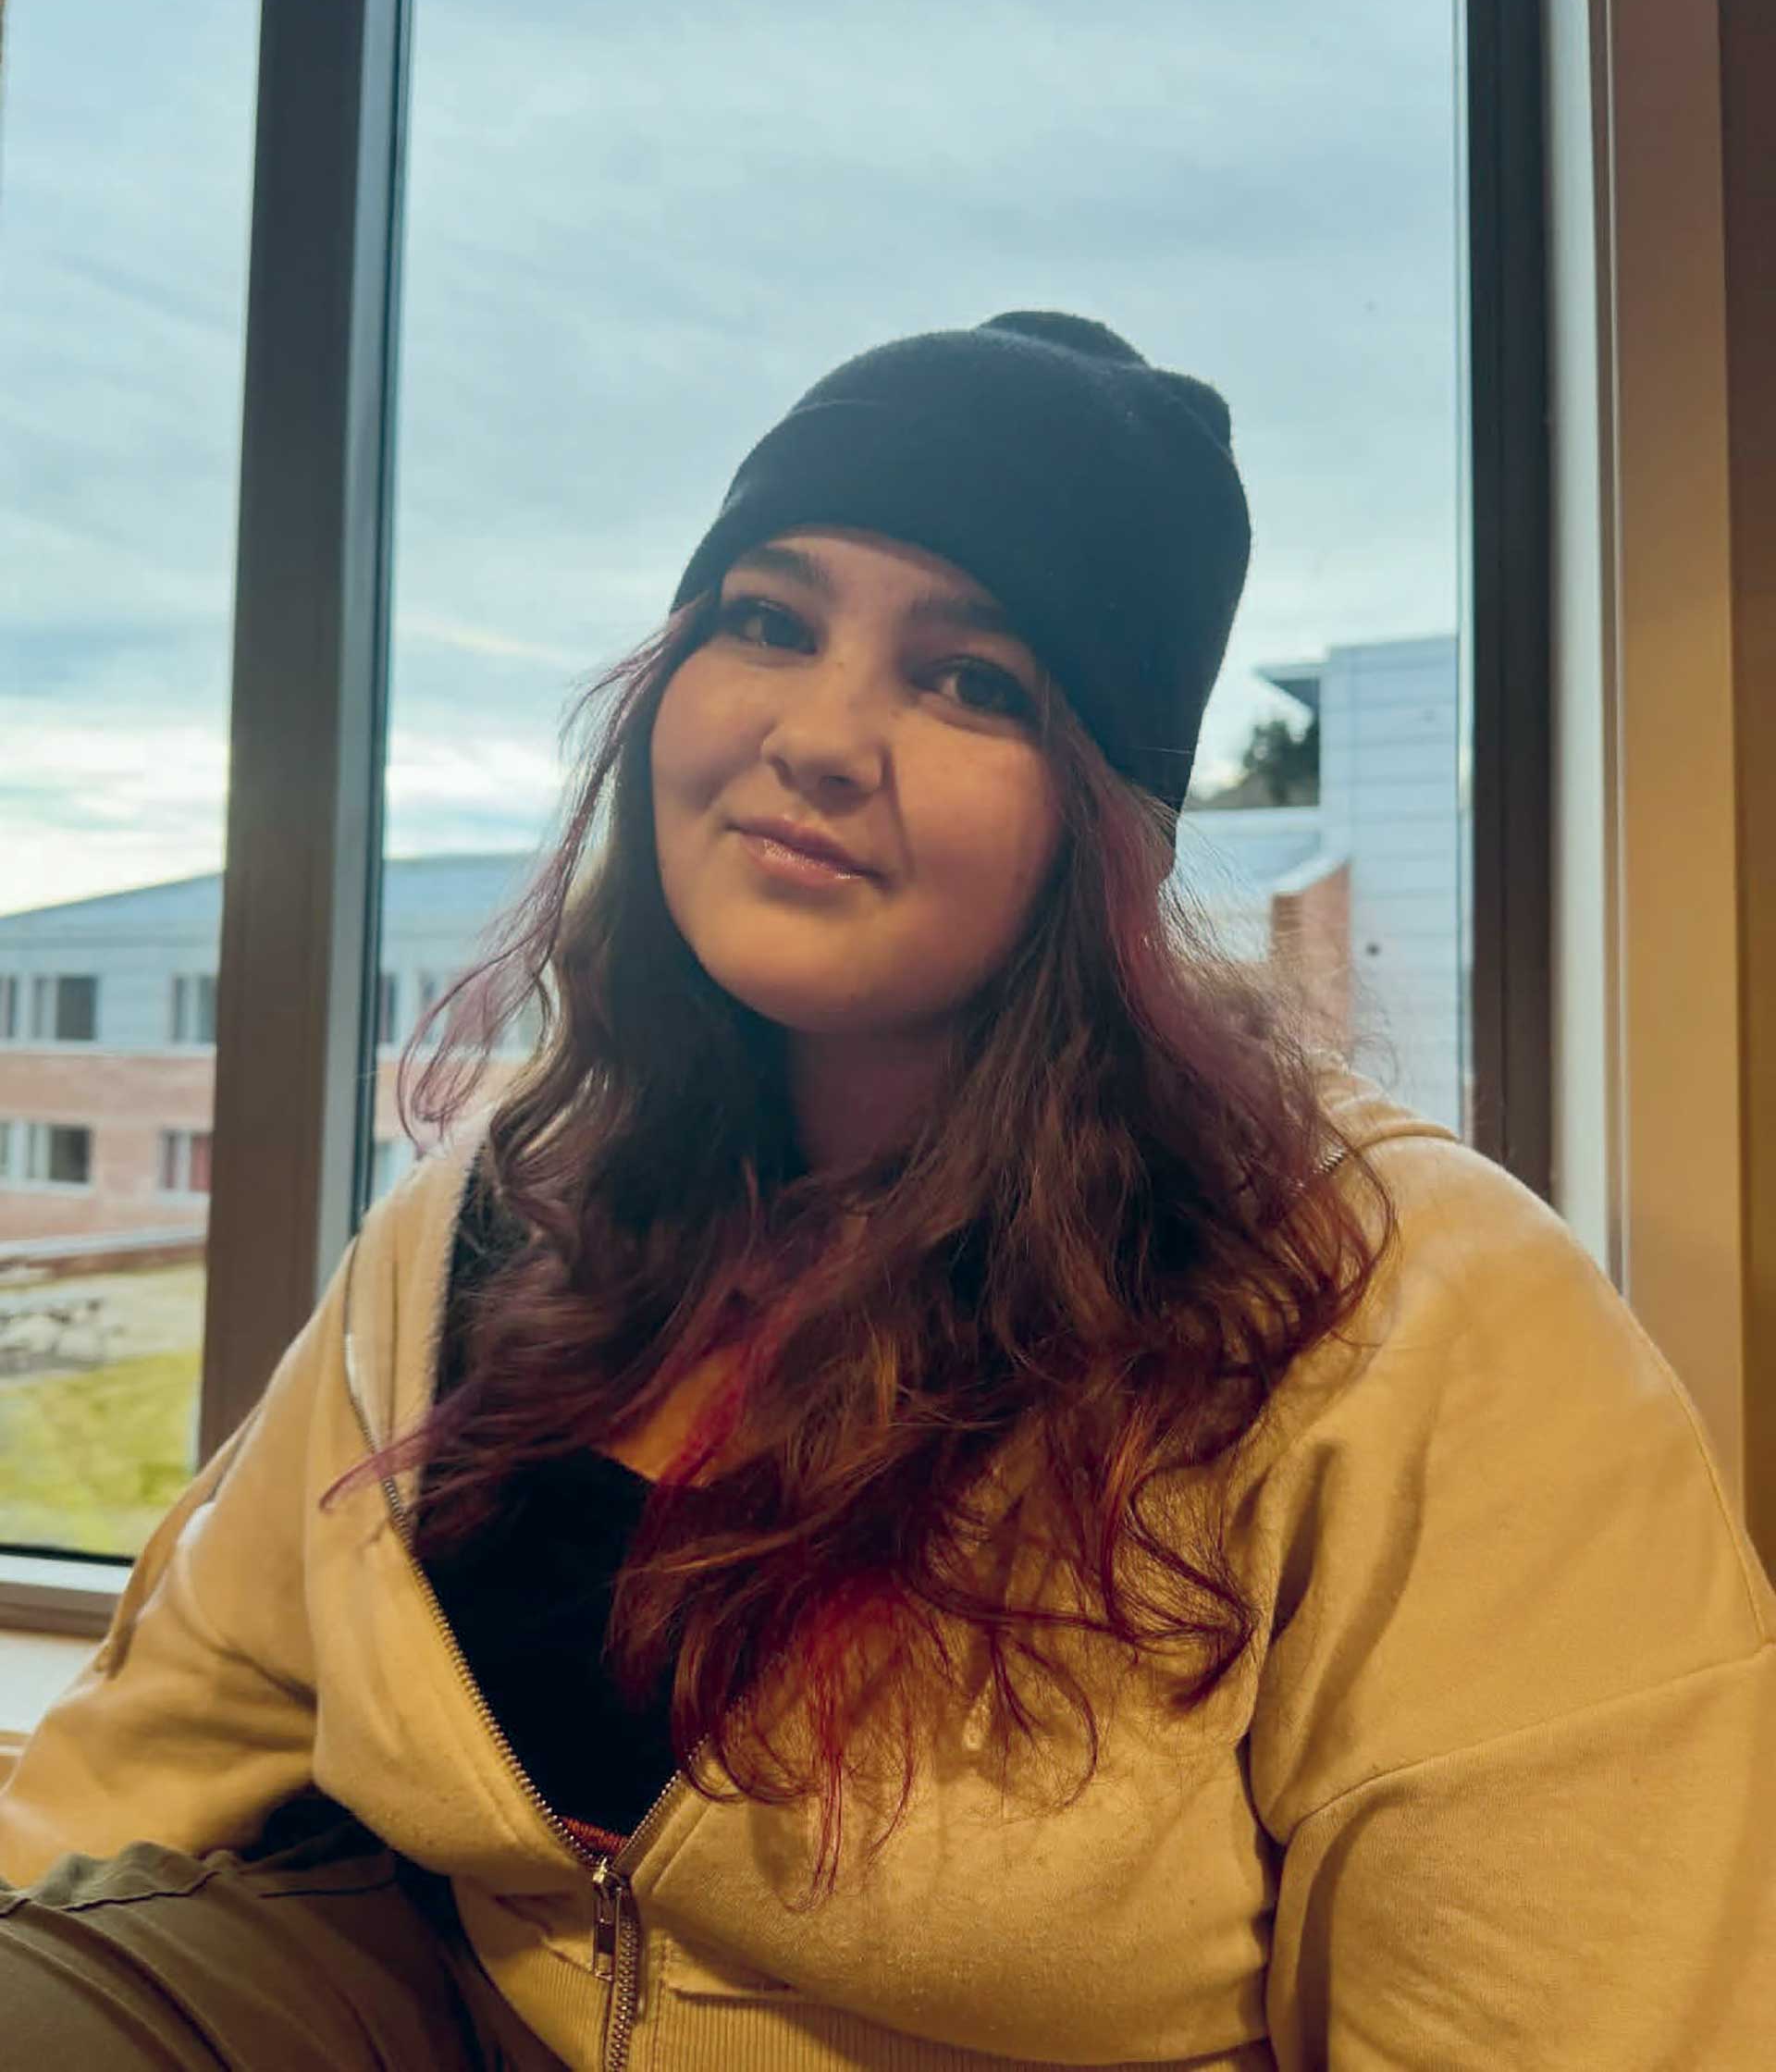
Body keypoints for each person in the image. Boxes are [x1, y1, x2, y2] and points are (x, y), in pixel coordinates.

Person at [1, 311, 1771, 2071]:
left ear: (1111, 822)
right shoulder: (500, 1205)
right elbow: (173, 1730)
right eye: (768, 620)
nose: (821, 734)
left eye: (972, 679)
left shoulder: (1408, 1309)